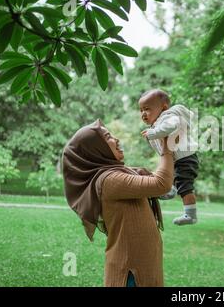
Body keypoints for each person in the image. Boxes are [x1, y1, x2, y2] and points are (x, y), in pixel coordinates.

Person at [62, 119, 174, 287]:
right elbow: (161, 184)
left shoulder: (122, 173)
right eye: (108, 137)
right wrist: (167, 147)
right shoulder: (109, 180)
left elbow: (163, 184)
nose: (117, 140)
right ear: (96, 149)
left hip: (142, 264)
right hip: (130, 270)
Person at [139, 89, 199, 226]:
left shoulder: (168, 116)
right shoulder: (158, 123)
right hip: (177, 158)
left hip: (185, 159)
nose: (143, 114)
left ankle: (191, 215)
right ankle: (169, 190)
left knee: (185, 185)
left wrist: (153, 133)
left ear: (163, 107)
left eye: (147, 109)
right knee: (168, 175)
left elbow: (172, 125)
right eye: (141, 110)